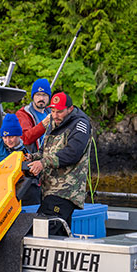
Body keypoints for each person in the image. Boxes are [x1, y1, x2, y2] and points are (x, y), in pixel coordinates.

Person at [26, 92, 91, 235]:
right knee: (58, 234)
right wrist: (31, 157)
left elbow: (73, 153)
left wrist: (42, 163)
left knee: (42, 231)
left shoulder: (80, 124)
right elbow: (44, 152)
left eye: (59, 111)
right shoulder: (53, 122)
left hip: (65, 191)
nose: (55, 115)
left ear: (70, 109)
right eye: (53, 111)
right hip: (48, 190)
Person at [0, 113, 40, 205]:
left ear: (19, 135)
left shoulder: (25, 152)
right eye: (5, 137)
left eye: (11, 137)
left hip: (10, 193)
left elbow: (29, 177)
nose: (8, 141)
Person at [16, 78, 52, 152]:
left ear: (49, 97)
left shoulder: (51, 112)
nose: (41, 98)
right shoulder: (23, 114)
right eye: (38, 95)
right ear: (33, 96)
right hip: (33, 158)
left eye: (44, 95)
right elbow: (24, 139)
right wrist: (43, 124)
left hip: (50, 156)